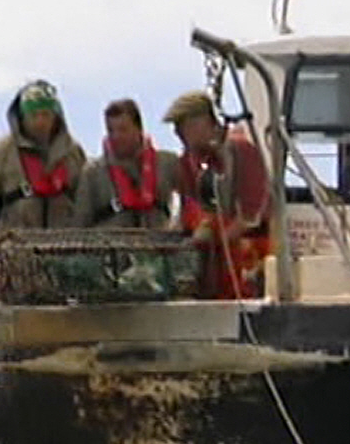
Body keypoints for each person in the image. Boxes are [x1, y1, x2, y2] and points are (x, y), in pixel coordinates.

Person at [163, 90, 273, 300]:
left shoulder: (242, 151)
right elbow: (187, 208)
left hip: (245, 261)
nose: (177, 133)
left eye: (181, 126)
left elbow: (251, 216)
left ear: (202, 122)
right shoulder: (189, 161)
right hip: (211, 266)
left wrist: (215, 240)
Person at [0, 80, 87, 231]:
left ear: (56, 116)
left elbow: (87, 203)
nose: (40, 122)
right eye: (34, 115)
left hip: (65, 241)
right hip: (15, 240)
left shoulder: (73, 152)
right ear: (22, 117)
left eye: (46, 115)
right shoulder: (2, 151)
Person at [73, 99, 179, 229]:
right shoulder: (92, 173)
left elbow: (191, 200)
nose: (116, 136)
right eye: (111, 130)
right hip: (109, 239)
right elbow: (80, 223)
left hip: (158, 237)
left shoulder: (167, 163)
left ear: (139, 129)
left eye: (123, 130)